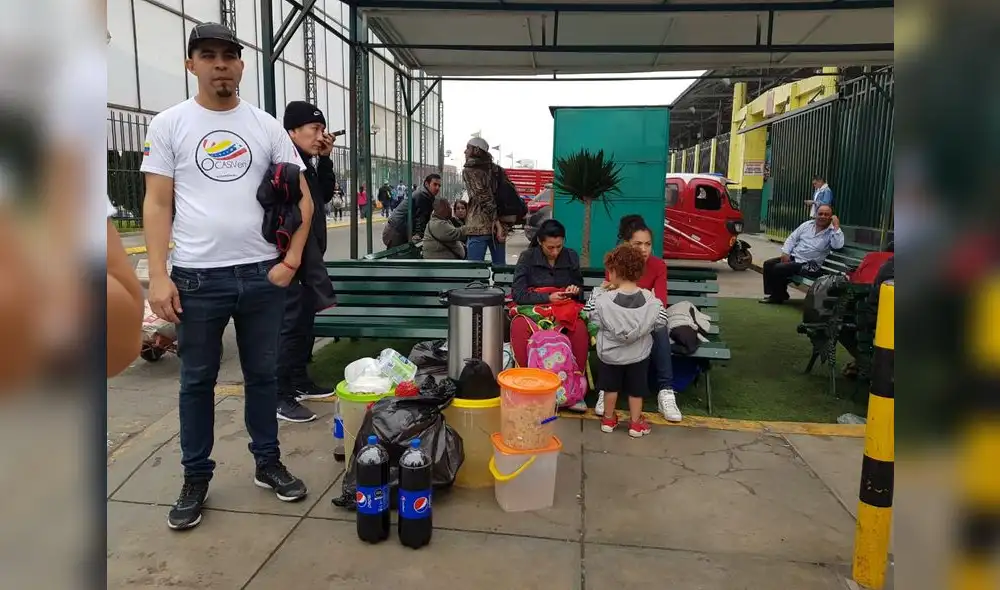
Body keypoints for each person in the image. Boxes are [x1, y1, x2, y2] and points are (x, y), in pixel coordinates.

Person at [142, 22, 309, 531]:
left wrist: (291, 261)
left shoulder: (265, 127)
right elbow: (155, 200)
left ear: (241, 65)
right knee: (196, 380)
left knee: (262, 376)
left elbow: (303, 199)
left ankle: (267, 461)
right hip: (196, 277)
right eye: (208, 55)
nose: (220, 64)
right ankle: (196, 476)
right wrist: (158, 276)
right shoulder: (169, 124)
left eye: (229, 55)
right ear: (191, 64)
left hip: (263, 275)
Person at [276, 101, 338, 423]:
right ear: (293, 131)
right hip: (290, 259)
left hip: (309, 258)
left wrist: (325, 160)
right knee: (288, 326)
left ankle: (298, 380)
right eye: (314, 129)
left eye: (322, 129)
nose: (320, 135)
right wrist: (290, 259)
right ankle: (280, 394)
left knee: (303, 323)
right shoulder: (285, 164)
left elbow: (323, 196)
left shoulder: (306, 163)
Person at [595, 215, 681, 422]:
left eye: (648, 244)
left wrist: (632, 295)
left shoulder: (658, 266)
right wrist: (642, 293)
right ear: (627, 244)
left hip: (645, 319)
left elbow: (659, 302)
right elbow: (610, 296)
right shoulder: (617, 263)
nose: (644, 249)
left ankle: (666, 391)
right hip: (619, 319)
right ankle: (605, 390)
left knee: (660, 328)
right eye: (638, 244)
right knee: (605, 325)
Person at [584, 244, 668, 438]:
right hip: (638, 354)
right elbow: (661, 321)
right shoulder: (651, 301)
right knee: (636, 390)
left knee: (610, 388)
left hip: (611, 355)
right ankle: (636, 423)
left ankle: (607, 419)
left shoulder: (602, 300)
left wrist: (596, 293)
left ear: (614, 271)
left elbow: (590, 316)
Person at [509, 219, 589, 411]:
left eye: (558, 247)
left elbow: (580, 292)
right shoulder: (527, 257)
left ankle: (574, 390)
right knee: (519, 327)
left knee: (578, 328)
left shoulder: (570, 256)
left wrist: (573, 290)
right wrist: (547, 296)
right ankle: (525, 386)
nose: (555, 252)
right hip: (534, 306)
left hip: (562, 306)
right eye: (550, 247)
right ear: (540, 242)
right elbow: (518, 294)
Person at [760, 204, 845, 304]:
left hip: (809, 264)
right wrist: (786, 252)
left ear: (831, 217)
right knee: (768, 264)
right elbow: (792, 238)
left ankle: (778, 296)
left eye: (826, 214)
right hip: (795, 258)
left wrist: (836, 227)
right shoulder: (807, 225)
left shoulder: (832, 232)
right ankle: (777, 294)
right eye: (820, 214)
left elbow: (837, 246)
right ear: (816, 215)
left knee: (779, 268)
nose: (822, 216)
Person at [462, 137, 505, 262]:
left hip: (478, 227)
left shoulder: (470, 170)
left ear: (476, 150)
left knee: (475, 270)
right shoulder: (496, 169)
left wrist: (495, 221)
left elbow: (483, 197)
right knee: (501, 270)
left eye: (468, 148)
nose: (465, 151)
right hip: (499, 227)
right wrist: (499, 224)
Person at [382, 173, 440, 248]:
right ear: (426, 184)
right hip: (396, 231)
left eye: (439, 185)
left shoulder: (425, 195)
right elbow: (421, 218)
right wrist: (419, 234)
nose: (437, 188)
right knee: (398, 257)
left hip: (398, 230)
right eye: (435, 184)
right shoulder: (422, 196)